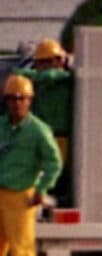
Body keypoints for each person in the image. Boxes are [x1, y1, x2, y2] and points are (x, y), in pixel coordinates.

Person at [0, 74, 62, 256]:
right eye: (12, 98)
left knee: (22, 250)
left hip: (21, 197)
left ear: (30, 100)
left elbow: (54, 162)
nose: (17, 103)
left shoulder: (38, 130)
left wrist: (41, 188)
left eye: (21, 98)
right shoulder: (1, 126)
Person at [14, 38, 74, 205]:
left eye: (46, 61)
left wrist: (22, 72)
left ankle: (54, 197)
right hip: (39, 133)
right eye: (39, 62)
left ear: (58, 60)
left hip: (59, 135)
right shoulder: (40, 81)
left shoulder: (63, 77)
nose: (42, 66)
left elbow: (47, 76)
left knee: (54, 168)